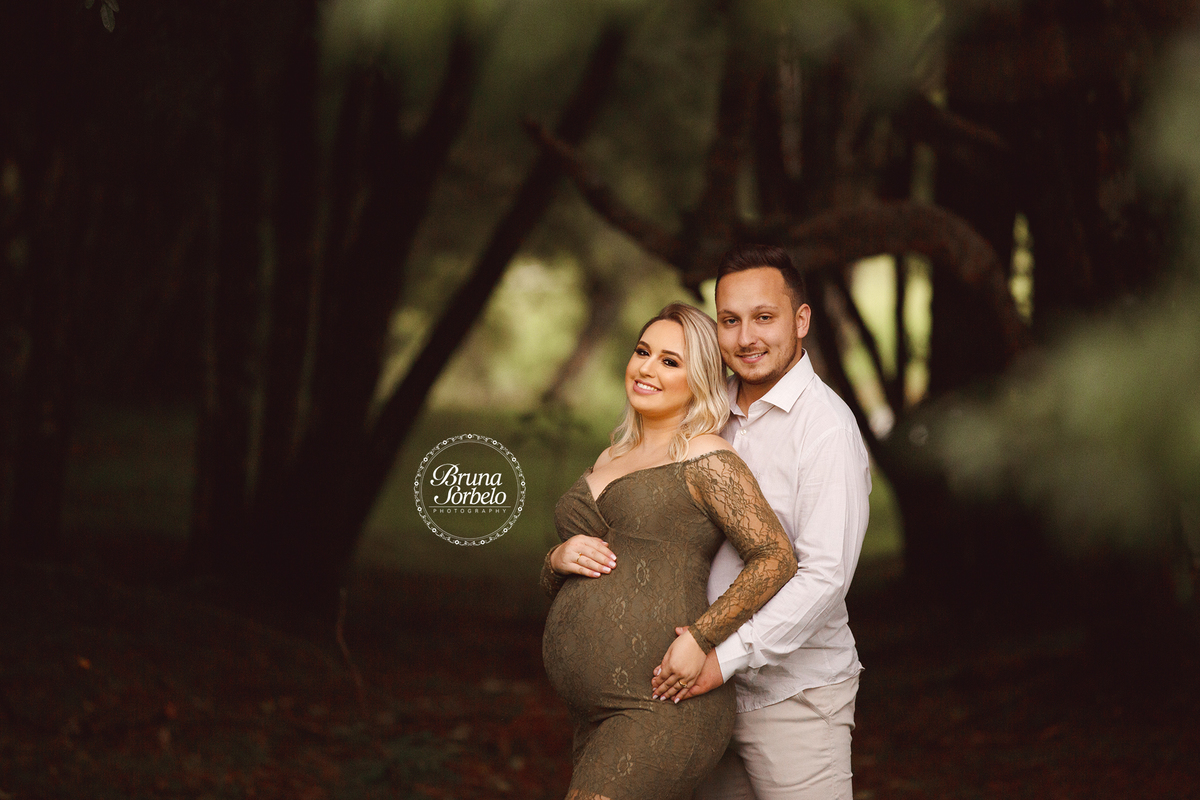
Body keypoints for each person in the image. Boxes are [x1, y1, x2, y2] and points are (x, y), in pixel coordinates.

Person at [540, 302, 798, 800]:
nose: (647, 369)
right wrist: (556, 559)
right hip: (593, 714)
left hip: (660, 702)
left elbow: (775, 556)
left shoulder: (707, 456)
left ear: (698, 379)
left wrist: (702, 637)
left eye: (670, 361)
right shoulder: (610, 456)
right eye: (643, 352)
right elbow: (577, 574)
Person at [653, 245, 872, 800]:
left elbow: (825, 576)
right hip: (701, 695)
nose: (746, 337)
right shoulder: (704, 413)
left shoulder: (826, 429)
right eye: (730, 320)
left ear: (801, 320)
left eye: (764, 317)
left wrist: (721, 659)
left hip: (793, 698)